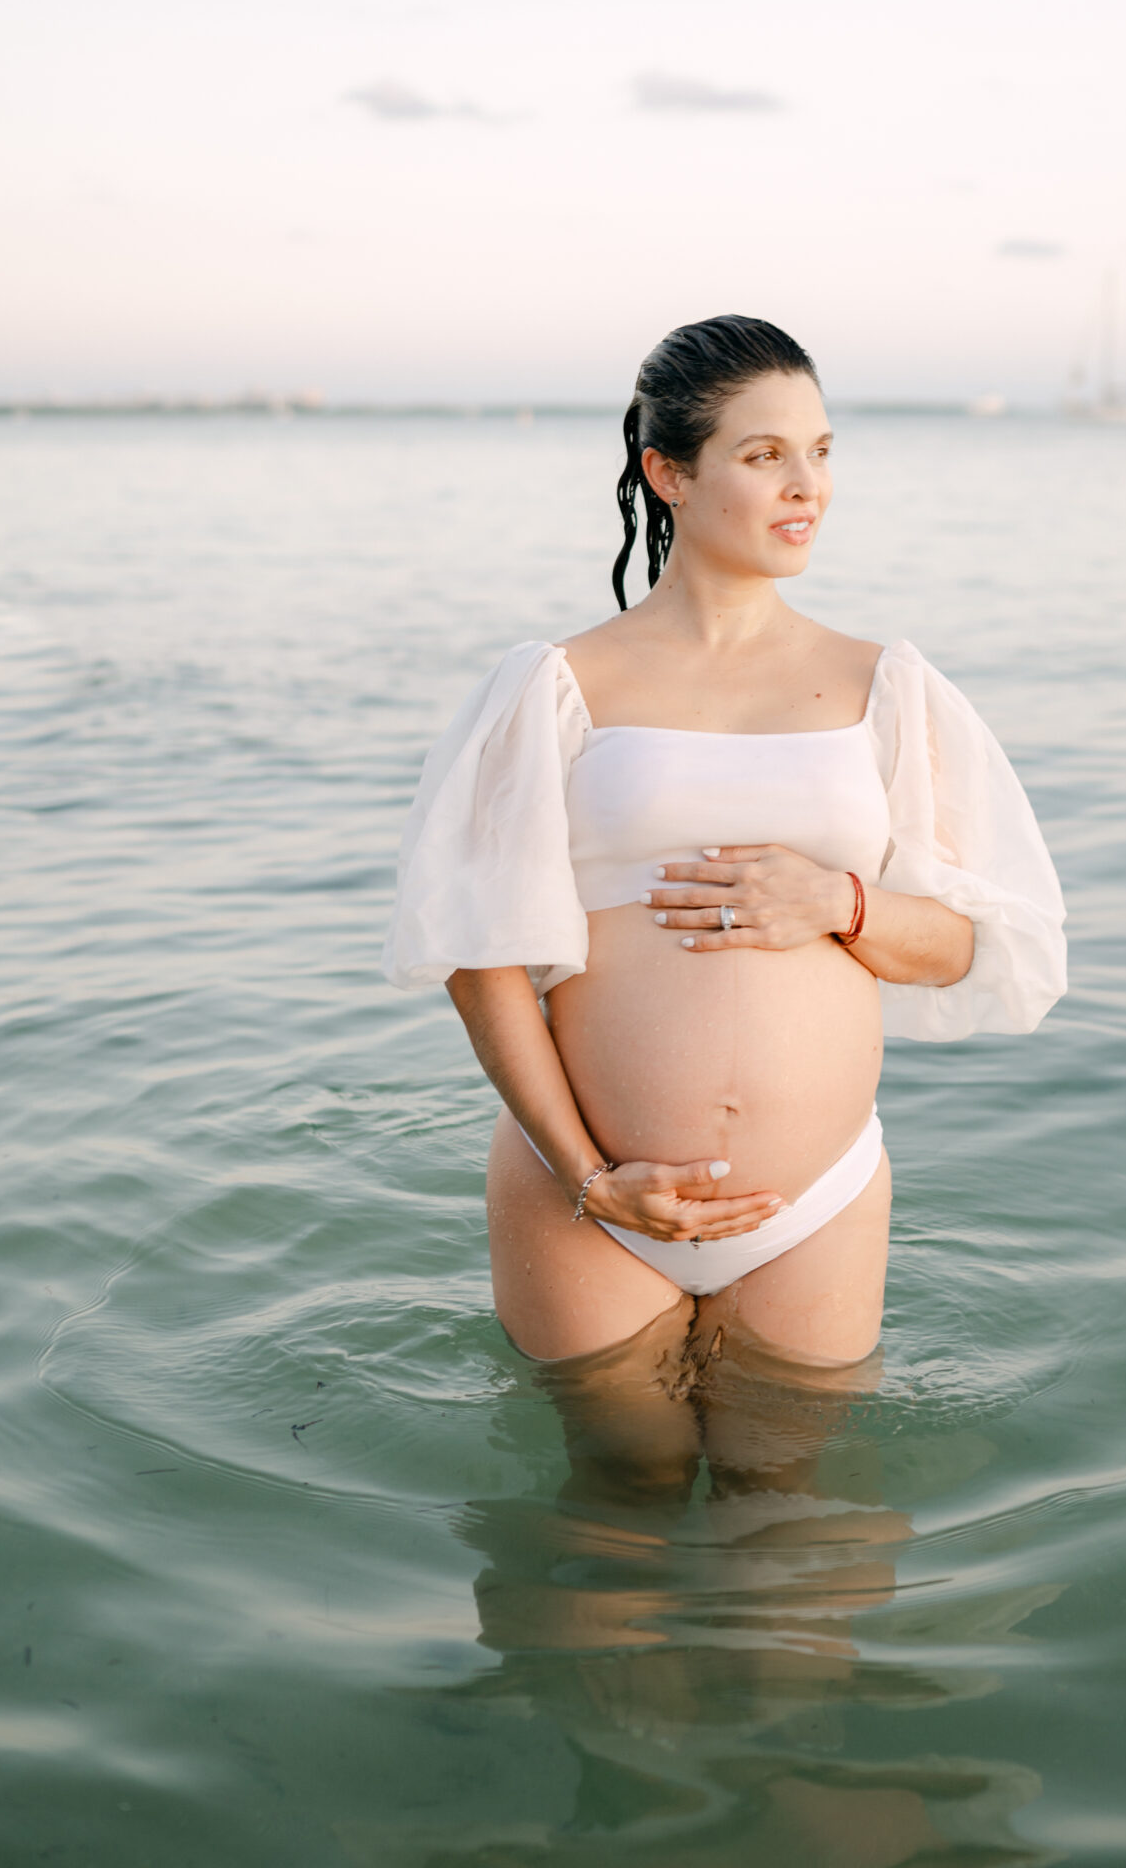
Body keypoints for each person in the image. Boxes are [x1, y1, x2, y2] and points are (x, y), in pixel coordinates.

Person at [384, 314, 1065, 1390]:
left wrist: (838, 901)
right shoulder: (551, 686)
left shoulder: (884, 685)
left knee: (796, 1531)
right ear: (668, 472)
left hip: (817, 1201)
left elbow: (959, 949)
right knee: (610, 1521)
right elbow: (481, 958)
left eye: (821, 451)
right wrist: (590, 1176)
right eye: (763, 456)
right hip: (589, 1201)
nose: (807, 486)